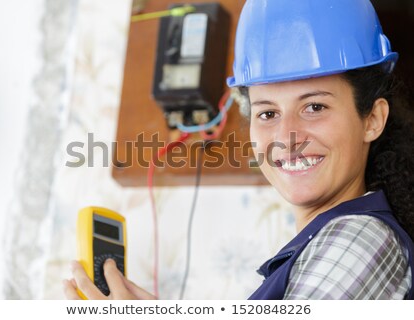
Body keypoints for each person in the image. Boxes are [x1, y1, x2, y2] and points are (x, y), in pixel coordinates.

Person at [63, 0, 414, 300]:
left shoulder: (359, 241)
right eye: (268, 113)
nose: (286, 137)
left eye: (314, 107)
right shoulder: (320, 247)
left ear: (373, 119)